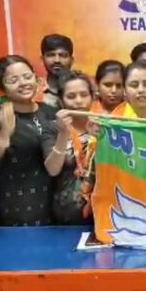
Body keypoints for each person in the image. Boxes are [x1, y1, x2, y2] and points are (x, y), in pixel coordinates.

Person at [0, 55, 72, 226]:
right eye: (13, 80)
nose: (23, 83)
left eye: (27, 76)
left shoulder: (51, 113)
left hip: (54, 214)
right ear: (2, 87)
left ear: (36, 78)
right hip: (11, 216)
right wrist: (2, 136)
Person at [82, 62, 146, 211]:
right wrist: (100, 138)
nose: (141, 90)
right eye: (134, 85)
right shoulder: (112, 124)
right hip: (120, 201)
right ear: (124, 89)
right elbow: (97, 169)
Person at [45, 70, 95, 225]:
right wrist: (63, 134)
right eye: (71, 96)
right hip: (65, 214)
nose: (78, 101)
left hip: (102, 211)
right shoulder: (52, 129)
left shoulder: (104, 126)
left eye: (84, 95)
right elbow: (52, 169)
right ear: (61, 101)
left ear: (93, 97)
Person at [36, 33, 74, 109]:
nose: (57, 60)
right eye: (51, 55)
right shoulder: (32, 90)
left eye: (63, 55)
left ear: (71, 60)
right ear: (42, 59)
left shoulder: (85, 89)